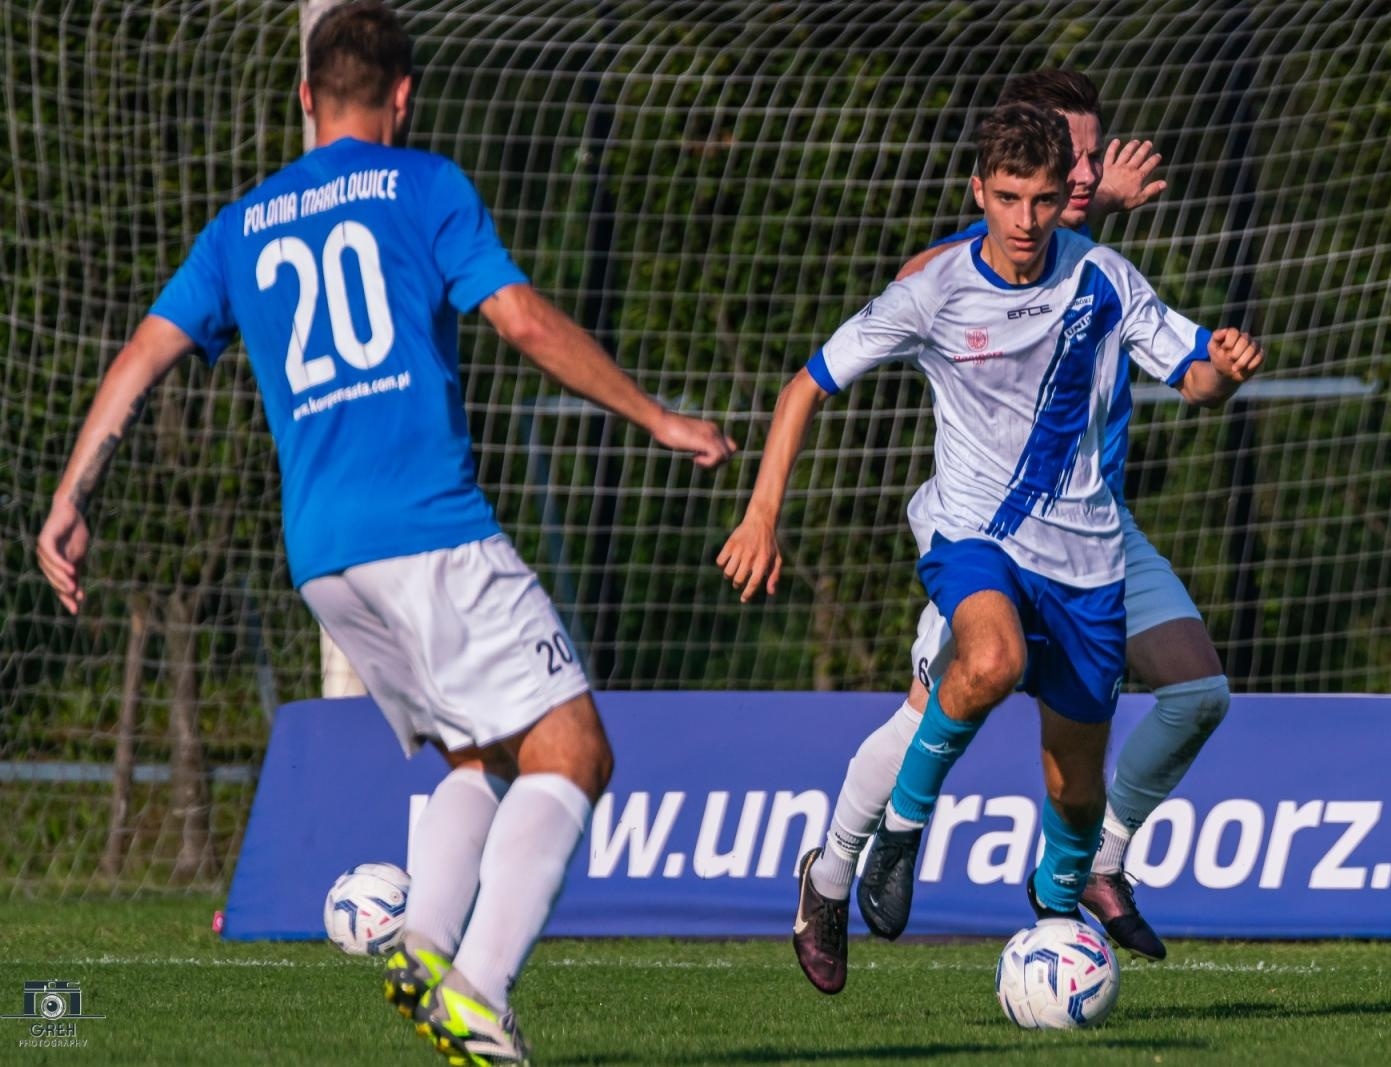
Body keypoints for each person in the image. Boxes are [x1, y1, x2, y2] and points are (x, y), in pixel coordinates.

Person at [35, 3, 734, 1064]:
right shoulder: (427, 186)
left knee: (479, 750)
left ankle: (422, 943)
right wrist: (657, 415)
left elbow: (142, 353)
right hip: (428, 533)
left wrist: (71, 494)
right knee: (576, 749)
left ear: (306, 98)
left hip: (323, 558)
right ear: (403, 97)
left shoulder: (241, 226)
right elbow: (522, 320)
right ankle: (479, 993)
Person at [718, 93, 1261, 995]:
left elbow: (1194, 373)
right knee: (985, 663)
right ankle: (861, 854)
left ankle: (1065, 906)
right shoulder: (935, 285)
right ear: (981, 190)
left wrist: (1226, 374)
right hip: (976, 529)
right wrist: (762, 511)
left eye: (1047, 195)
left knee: (1079, 786)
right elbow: (806, 382)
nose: (1031, 214)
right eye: (1011, 196)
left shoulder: (1106, 277)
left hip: (1090, 548)